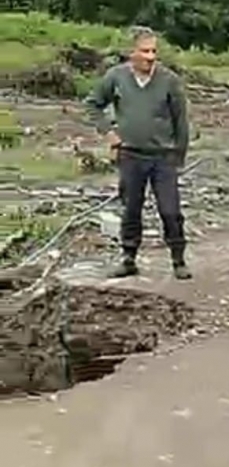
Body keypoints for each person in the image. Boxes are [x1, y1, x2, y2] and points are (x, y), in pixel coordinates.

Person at [85, 26, 191, 279]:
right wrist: (109, 134)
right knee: (131, 208)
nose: (150, 57)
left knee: (170, 210)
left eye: (154, 51)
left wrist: (179, 156)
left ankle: (178, 260)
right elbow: (93, 104)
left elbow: (181, 121)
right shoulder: (117, 77)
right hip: (131, 155)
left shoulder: (169, 80)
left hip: (162, 156)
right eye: (144, 51)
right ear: (131, 53)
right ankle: (129, 258)